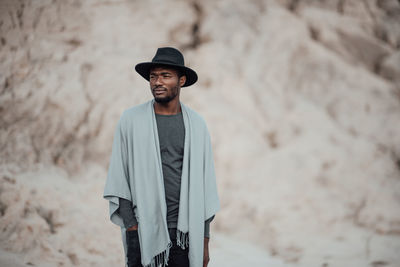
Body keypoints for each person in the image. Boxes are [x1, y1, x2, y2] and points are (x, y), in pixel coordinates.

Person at [103, 47, 220, 267]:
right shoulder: (131, 120)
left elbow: (205, 189)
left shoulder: (196, 125)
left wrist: (204, 241)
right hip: (143, 229)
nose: (157, 82)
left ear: (181, 80)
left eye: (165, 76)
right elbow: (120, 176)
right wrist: (132, 227)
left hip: (184, 232)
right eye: (153, 76)